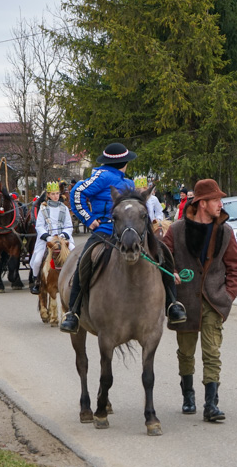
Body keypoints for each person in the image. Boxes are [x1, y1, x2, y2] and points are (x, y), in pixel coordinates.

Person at [60, 143, 186, 333]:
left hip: (129, 230)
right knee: (84, 260)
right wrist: (89, 219)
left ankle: (170, 302)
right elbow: (77, 193)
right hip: (104, 230)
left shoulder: (128, 183)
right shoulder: (102, 176)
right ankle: (74, 311)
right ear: (124, 162)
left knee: (161, 252)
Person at [162, 179, 237, 422]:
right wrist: (171, 274)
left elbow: (236, 269)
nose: (221, 204)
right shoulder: (177, 230)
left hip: (213, 301)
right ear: (202, 203)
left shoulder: (225, 231)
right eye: (216, 200)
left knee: (212, 352)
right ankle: (188, 396)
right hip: (185, 302)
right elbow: (163, 260)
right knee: (186, 353)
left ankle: (211, 404)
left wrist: (227, 297)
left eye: (220, 200)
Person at [30, 181, 75, 295]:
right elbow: (39, 225)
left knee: (75, 254)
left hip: (62, 237)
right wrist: (46, 237)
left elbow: (69, 225)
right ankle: (37, 281)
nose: (56, 196)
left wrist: (64, 234)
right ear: (48, 195)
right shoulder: (43, 208)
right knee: (37, 260)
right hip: (47, 238)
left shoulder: (64, 208)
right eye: (53, 194)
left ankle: (75, 278)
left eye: (57, 193)